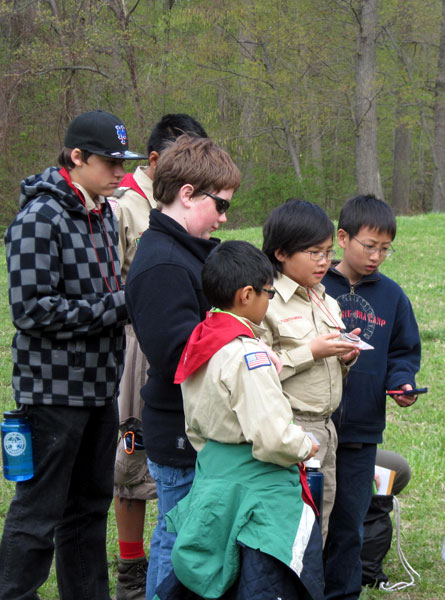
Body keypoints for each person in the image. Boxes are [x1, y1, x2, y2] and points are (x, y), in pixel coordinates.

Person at [0, 110, 145, 599]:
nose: (120, 172)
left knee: (88, 510)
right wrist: (121, 305)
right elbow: (31, 310)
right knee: (38, 514)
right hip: (53, 393)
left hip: (99, 388)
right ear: (76, 156)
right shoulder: (40, 217)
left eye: (123, 161)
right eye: (109, 162)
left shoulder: (101, 212)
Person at [154, 240, 323, 600]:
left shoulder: (202, 339)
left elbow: (195, 428)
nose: (270, 300)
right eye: (268, 293)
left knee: (215, 577)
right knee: (261, 584)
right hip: (258, 496)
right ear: (247, 294)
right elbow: (273, 438)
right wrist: (305, 444)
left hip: (213, 484)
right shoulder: (247, 356)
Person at [125, 134, 240, 599]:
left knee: (191, 536)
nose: (224, 217)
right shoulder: (164, 264)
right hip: (180, 428)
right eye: (220, 205)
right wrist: (238, 335)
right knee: (180, 540)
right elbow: (177, 355)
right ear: (188, 194)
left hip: (199, 426)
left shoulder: (189, 253)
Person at [112, 113, 209, 600]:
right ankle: (132, 569)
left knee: (176, 504)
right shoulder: (125, 207)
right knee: (134, 460)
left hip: (178, 338)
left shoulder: (190, 219)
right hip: (139, 344)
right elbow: (111, 283)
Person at [321, 194, 421, 600]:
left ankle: (344, 593)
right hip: (314, 428)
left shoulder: (392, 296)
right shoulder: (315, 285)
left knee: (350, 521)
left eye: (385, 248)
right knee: (312, 519)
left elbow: (403, 352)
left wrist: (402, 383)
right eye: (369, 246)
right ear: (343, 238)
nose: (377, 256)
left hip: (362, 431)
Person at [261, 199, 361, 543]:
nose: (324, 262)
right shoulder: (265, 302)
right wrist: (311, 352)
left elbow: (330, 368)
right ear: (281, 252)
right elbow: (256, 374)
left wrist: (346, 357)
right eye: (314, 253)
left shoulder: (325, 299)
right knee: (291, 528)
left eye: (328, 252)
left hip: (326, 428)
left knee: (319, 523)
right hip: (290, 427)